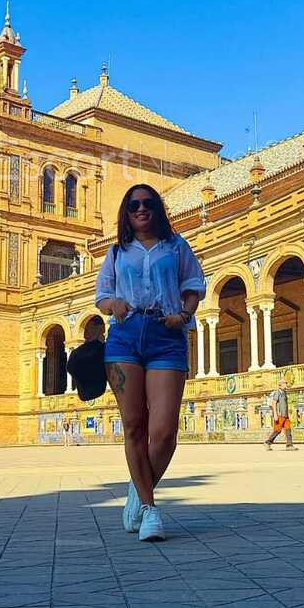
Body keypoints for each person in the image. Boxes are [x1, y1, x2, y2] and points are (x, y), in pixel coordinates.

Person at [95, 183, 205, 543]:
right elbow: (102, 297)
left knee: (164, 432)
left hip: (165, 334)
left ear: (157, 209)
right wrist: (114, 304)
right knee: (134, 426)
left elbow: (193, 286)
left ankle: (136, 489)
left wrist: (183, 315)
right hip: (125, 336)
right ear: (126, 214)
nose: (141, 209)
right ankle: (149, 507)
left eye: (148, 203)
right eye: (134, 205)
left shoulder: (176, 246)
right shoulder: (116, 251)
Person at [263, 380, 297, 451]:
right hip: (279, 415)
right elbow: (274, 403)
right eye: (285, 383)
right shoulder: (277, 392)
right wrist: (275, 414)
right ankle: (268, 442)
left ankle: (289, 445)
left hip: (285, 415)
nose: (286, 384)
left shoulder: (284, 393)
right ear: (280, 385)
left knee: (288, 430)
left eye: (286, 383)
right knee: (277, 430)